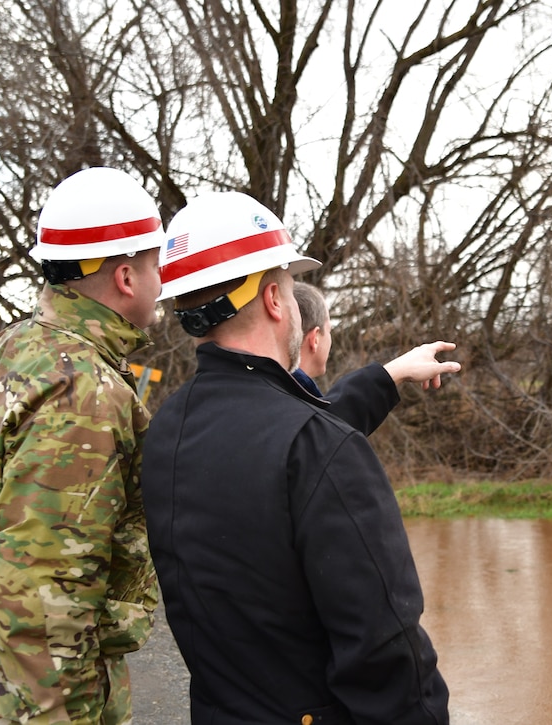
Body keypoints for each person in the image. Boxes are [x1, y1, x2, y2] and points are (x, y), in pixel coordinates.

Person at [140, 191, 454, 724]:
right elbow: (387, 656)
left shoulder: (168, 427)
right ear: (272, 300)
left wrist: (387, 376)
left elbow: (270, 448)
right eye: (288, 285)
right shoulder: (317, 448)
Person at [0, 167, 164, 724]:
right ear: (127, 277)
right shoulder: (82, 389)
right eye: (156, 265)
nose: (162, 281)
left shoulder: (8, 348)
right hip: (41, 697)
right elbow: (42, 599)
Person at [292, 279, 457, 433]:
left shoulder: (280, 398)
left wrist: (395, 371)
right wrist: (397, 371)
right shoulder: (291, 405)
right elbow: (325, 434)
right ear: (315, 339)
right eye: (329, 330)